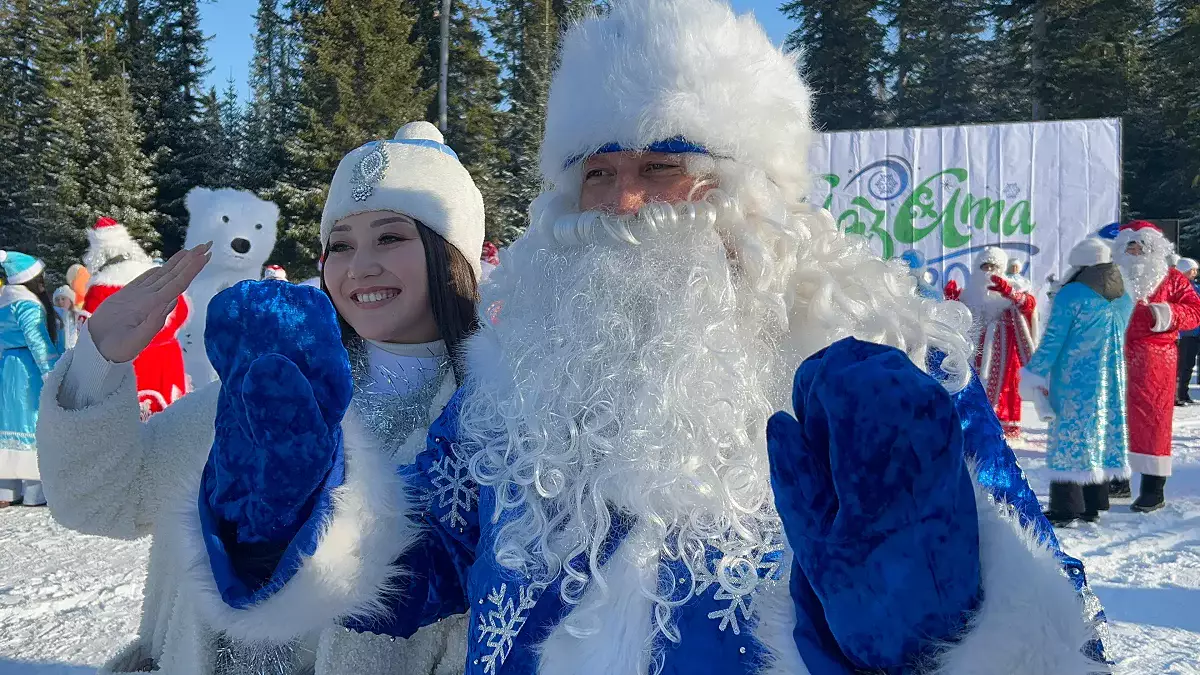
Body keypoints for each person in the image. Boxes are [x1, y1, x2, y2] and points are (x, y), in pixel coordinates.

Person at [194, 2, 1106, 673]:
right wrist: (289, 506)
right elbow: (417, 557)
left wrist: (947, 629)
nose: (624, 201)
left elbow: (1057, 623)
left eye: (666, 166)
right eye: (599, 172)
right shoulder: (513, 377)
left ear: (755, 193)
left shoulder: (895, 374)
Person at [35, 121, 483, 674]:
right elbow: (102, 501)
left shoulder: (490, 424)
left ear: (450, 254)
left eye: (391, 236)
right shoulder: (261, 395)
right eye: (339, 244)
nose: (359, 265)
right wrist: (99, 358)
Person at [1021, 238, 1133, 526]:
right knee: (1099, 434)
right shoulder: (1123, 295)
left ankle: (1066, 507)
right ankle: (1094, 503)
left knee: (1071, 438)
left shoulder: (1071, 295)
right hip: (1110, 377)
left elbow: (1053, 341)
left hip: (1075, 379)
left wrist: (1033, 372)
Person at [1112, 221, 1200, 512]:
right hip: (1116, 355)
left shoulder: (1173, 278)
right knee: (1115, 418)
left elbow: (1194, 311)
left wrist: (1163, 313)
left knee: (1153, 420)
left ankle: (1153, 488)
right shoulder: (1112, 276)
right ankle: (1118, 479)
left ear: (1153, 248)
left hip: (1156, 359)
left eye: (1140, 246)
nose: (1135, 251)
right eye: (1130, 246)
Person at [82, 216, 190, 416]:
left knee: (129, 427)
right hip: (166, 360)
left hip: (128, 364)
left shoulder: (100, 288)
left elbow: (90, 332)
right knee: (169, 423)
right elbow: (182, 312)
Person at [946, 247, 1038, 438]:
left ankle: (1003, 430)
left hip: (1003, 355)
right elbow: (954, 321)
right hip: (972, 353)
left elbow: (1029, 306)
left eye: (993, 267)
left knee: (1004, 392)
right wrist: (951, 302)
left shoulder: (1011, 291)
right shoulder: (968, 294)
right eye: (984, 266)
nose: (988, 272)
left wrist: (1010, 294)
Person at [0, 250, 61, 507]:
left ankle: (6, 491)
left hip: (7, 367)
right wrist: (53, 373)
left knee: (8, 422)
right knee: (32, 422)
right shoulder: (28, 304)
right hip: (28, 369)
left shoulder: (4, 302)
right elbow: (38, 342)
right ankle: (35, 492)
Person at [1175, 258, 1200, 406]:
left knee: (1189, 365)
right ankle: (1180, 394)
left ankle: (1183, 393)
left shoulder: (1195, 287)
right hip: (1186, 332)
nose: (1195, 272)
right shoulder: (1179, 288)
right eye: (1193, 270)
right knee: (1184, 365)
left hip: (1196, 331)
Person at [53, 285, 80, 350]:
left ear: (70, 301)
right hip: (58, 351)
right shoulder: (53, 317)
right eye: (57, 300)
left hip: (75, 350)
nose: (60, 302)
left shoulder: (78, 316)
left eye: (63, 299)